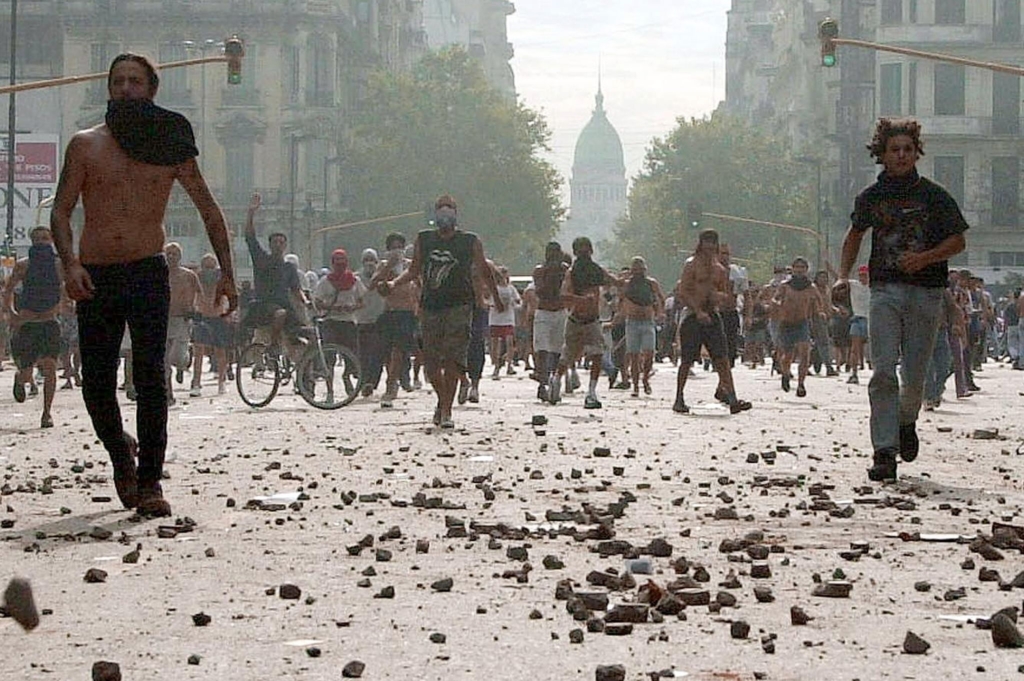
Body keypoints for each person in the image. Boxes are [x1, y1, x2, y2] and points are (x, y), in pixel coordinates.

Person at [50, 53, 237, 517]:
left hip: (147, 272)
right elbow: (61, 210)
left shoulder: (169, 142)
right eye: (118, 81)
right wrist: (70, 264)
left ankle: (150, 481)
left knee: (151, 378)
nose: (126, 88)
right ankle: (121, 452)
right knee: (97, 382)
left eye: (135, 81)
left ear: (151, 89)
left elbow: (208, 209)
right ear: (109, 88)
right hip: (97, 274)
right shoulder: (86, 145)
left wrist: (228, 273)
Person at [836, 117, 968, 482]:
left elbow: (958, 240)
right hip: (885, 290)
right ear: (882, 154)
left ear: (916, 153)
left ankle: (906, 421)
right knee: (882, 370)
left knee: (915, 373)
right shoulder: (871, 197)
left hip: (927, 291)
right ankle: (883, 451)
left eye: (908, 149)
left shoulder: (934, 196)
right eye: (895, 149)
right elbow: (854, 235)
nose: (901, 155)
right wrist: (843, 275)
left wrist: (926, 258)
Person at [382, 195, 501, 428]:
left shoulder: (469, 241)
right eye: (440, 208)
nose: (445, 212)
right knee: (431, 363)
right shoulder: (424, 239)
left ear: (456, 213)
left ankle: (446, 411)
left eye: (449, 208)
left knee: (454, 361)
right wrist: (393, 283)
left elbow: (485, 271)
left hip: (459, 306)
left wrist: (495, 298)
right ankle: (442, 399)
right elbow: (414, 270)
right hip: (430, 307)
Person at [673, 229, 752, 415]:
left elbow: (723, 292)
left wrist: (720, 297)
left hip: (713, 316)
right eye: (706, 242)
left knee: (722, 358)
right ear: (700, 244)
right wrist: (698, 311)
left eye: (713, 242)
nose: (709, 246)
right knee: (687, 360)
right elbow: (683, 291)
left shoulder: (720, 270)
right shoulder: (691, 265)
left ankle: (732, 399)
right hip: (692, 315)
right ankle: (679, 398)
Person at [3, 226, 62, 428]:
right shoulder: (23, 265)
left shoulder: (58, 265)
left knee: (50, 368)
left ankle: (47, 413)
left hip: (49, 322)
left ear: (51, 240)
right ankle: (20, 379)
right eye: (37, 239)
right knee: (27, 372)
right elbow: (8, 289)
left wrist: (64, 304)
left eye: (45, 238)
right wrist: (11, 313)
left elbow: (67, 287)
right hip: (28, 323)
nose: (41, 242)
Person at [550, 237, 619, 409]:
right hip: (575, 320)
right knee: (568, 355)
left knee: (597, 355)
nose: (584, 253)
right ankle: (556, 381)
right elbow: (563, 295)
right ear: (575, 253)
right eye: (580, 250)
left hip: (593, 321)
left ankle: (591, 392)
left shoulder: (597, 270)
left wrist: (629, 280)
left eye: (586, 249)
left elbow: (615, 281)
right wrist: (580, 299)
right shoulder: (572, 273)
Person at [243, 193, 307, 355]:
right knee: (280, 314)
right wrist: (251, 213)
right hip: (265, 306)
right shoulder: (261, 259)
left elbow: (296, 290)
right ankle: (273, 345)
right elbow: (250, 238)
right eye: (275, 242)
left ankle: (309, 367)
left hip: (285, 305)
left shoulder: (289, 267)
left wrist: (306, 301)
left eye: (281, 242)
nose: (278, 245)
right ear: (270, 244)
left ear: (285, 246)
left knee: (308, 332)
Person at [372, 233, 419, 408]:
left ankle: (390, 385)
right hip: (390, 311)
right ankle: (394, 379)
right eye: (393, 247)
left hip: (407, 312)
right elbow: (373, 284)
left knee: (399, 351)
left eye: (400, 247)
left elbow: (419, 283)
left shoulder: (410, 266)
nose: (397, 250)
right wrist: (388, 267)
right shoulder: (384, 265)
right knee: (387, 351)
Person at [771, 257, 820, 397]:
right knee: (787, 356)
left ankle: (801, 384)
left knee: (805, 353)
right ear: (792, 269)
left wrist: (820, 312)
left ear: (806, 270)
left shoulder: (811, 287)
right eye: (797, 267)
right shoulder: (785, 286)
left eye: (802, 267)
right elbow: (775, 298)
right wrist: (777, 304)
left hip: (802, 323)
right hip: (786, 324)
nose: (799, 270)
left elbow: (818, 302)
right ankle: (785, 374)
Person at [620, 256, 666, 397]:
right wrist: (623, 313)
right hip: (632, 322)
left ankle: (645, 378)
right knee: (633, 356)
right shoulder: (627, 284)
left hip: (648, 321)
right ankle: (635, 386)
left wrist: (660, 312)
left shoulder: (651, 283)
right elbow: (621, 301)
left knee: (649, 353)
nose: (638, 272)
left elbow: (661, 297)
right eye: (636, 269)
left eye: (641, 269)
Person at [163, 242, 201, 406]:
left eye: (174, 254)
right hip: (164, 319)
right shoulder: (159, 275)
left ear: (180, 256)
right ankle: (168, 394)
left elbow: (199, 294)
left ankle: (186, 359)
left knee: (177, 357)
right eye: (169, 254)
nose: (171, 257)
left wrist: (195, 309)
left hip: (182, 319)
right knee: (164, 360)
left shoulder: (189, 275)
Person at [532, 241, 569, 402]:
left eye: (556, 252)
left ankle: (554, 381)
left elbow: (568, 290)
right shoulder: (540, 270)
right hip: (544, 313)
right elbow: (540, 291)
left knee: (557, 350)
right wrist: (550, 274)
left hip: (560, 312)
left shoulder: (565, 270)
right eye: (550, 252)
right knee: (542, 349)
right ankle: (542, 383)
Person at [191, 253, 233, 396]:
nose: (208, 269)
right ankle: (196, 383)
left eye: (211, 266)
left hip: (218, 317)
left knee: (220, 351)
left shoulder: (222, 279)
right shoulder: (197, 278)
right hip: (202, 317)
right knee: (198, 351)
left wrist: (228, 313)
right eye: (206, 266)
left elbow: (229, 296)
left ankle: (222, 382)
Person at [313, 249, 365, 350]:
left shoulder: (354, 281)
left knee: (350, 352)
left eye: (342, 263)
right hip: (330, 321)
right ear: (332, 264)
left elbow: (363, 301)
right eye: (337, 264)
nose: (340, 267)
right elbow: (317, 302)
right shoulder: (325, 281)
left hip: (348, 321)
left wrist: (352, 307)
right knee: (330, 351)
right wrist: (333, 308)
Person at [354, 248, 386, 396]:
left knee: (378, 354)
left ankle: (372, 382)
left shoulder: (383, 277)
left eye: (372, 260)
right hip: (361, 320)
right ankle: (364, 381)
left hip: (379, 319)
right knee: (363, 354)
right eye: (366, 260)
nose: (369, 263)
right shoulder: (356, 279)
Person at [488, 266, 521, 379]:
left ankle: (509, 364)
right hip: (496, 319)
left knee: (509, 341)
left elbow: (518, 300)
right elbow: (489, 300)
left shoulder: (511, 288)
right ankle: (496, 366)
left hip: (508, 318)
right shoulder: (494, 288)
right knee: (495, 343)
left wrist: (513, 303)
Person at [845, 265, 871, 384]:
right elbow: (840, 279)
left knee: (874, 348)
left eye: (865, 275)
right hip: (857, 318)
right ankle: (854, 373)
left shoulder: (874, 287)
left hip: (870, 319)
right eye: (861, 275)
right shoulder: (854, 285)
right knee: (854, 348)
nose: (863, 278)